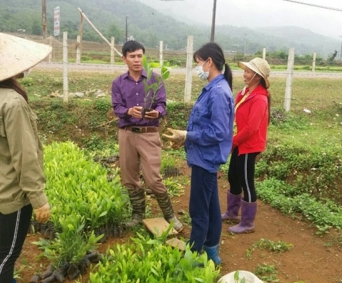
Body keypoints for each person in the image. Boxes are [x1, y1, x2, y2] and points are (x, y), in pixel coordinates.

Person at [0, 32, 52, 283]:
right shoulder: (13, 102)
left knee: (1, 250)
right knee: (6, 257)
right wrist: (38, 199)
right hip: (14, 193)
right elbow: (24, 156)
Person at [163, 42, 234, 265]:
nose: (198, 68)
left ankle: (193, 258)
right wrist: (185, 137)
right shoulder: (214, 88)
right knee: (211, 207)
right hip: (204, 157)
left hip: (206, 159)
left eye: (198, 63)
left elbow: (219, 132)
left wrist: (187, 134)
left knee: (199, 211)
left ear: (209, 62)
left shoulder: (219, 92)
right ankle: (211, 250)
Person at [111, 40, 183, 232]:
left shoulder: (155, 79)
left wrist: (157, 113)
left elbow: (162, 104)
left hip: (149, 133)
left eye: (139, 55)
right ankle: (137, 215)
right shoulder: (118, 83)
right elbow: (116, 107)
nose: (136, 60)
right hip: (126, 134)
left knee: (153, 178)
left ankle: (169, 215)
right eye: (132, 56)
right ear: (124, 59)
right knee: (129, 176)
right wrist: (128, 111)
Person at [222, 57, 271, 234]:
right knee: (233, 177)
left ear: (257, 77)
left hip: (248, 146)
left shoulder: (259, 99)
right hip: (239, 143)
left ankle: (248, 223)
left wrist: (232, 142)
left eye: (248, 71)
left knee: (246, 182)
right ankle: (232, 212)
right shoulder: (244, 93)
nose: (244, 74)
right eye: (245, 70)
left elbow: (252, 128)